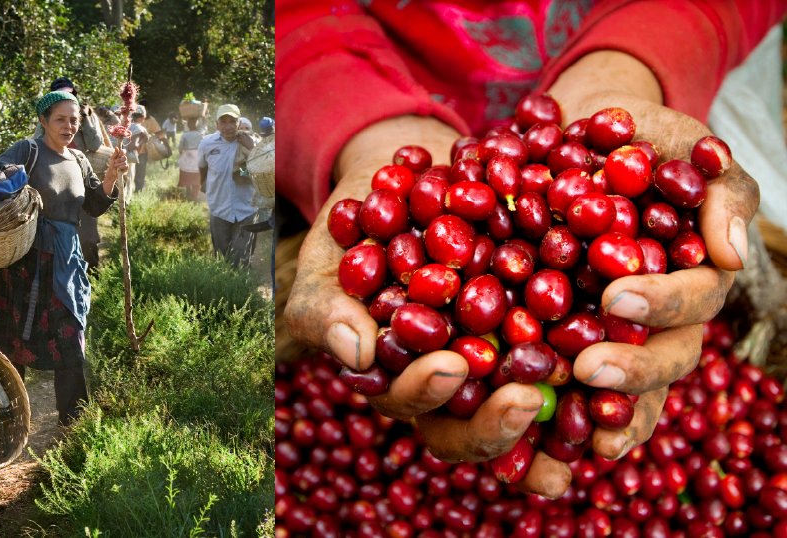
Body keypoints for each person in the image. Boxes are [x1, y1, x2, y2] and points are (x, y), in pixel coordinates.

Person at [276, 0, 782, 499]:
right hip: (361, 79)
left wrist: (632, 70)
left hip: (657, 42)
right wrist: (359, 129)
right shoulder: (484, 228)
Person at [0, 91, 127, 427]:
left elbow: (93, 206)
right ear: (43, 121)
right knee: (11, 341)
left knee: (71, 336)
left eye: (74, 120)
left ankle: (73, 424)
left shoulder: (78, 159)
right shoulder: (28, 150)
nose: (68, 126)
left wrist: (110, 176)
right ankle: (5, 420)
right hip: (24, 264)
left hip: (65, 262)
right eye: (60, 119)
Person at [33, 77, 107, 269]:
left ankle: (92, 273)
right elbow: (38, 145)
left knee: (88, 236)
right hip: (55, 182)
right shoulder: (47, 119)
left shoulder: (86, 116)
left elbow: (95, 144)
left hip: (81, 181)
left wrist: (85, 119)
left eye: (70, 93)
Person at [198, 104, 258, 268]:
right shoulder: (207, 143)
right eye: (223, 122)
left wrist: (252, 148)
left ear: (239, 123)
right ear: (216, 124)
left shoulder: (252, 142)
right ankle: (225, 284)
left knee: (241, 257)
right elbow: (202, 168)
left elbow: (265, 168)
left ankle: (242, 284)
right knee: (222, 258)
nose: (228, 126)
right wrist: (206, 186)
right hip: (219, 209)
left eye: (232, 121)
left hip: (246, 209)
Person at [178, 117, 204, 201]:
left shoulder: (185, 135)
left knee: (187, 174)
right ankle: (194, 195)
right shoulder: (200, 134)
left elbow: (180, 147)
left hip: (188, 156)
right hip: (198, 156)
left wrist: (182, 155)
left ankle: (188, 192)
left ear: (188, 125)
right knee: (197, 175)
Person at [128, 111, 149, 194]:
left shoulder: (125, 125)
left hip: (118, 155)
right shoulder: (138, 128)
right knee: (129, 179)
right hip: (129, 158)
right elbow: (132, 146)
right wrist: (143, 140)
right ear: (143, 118)